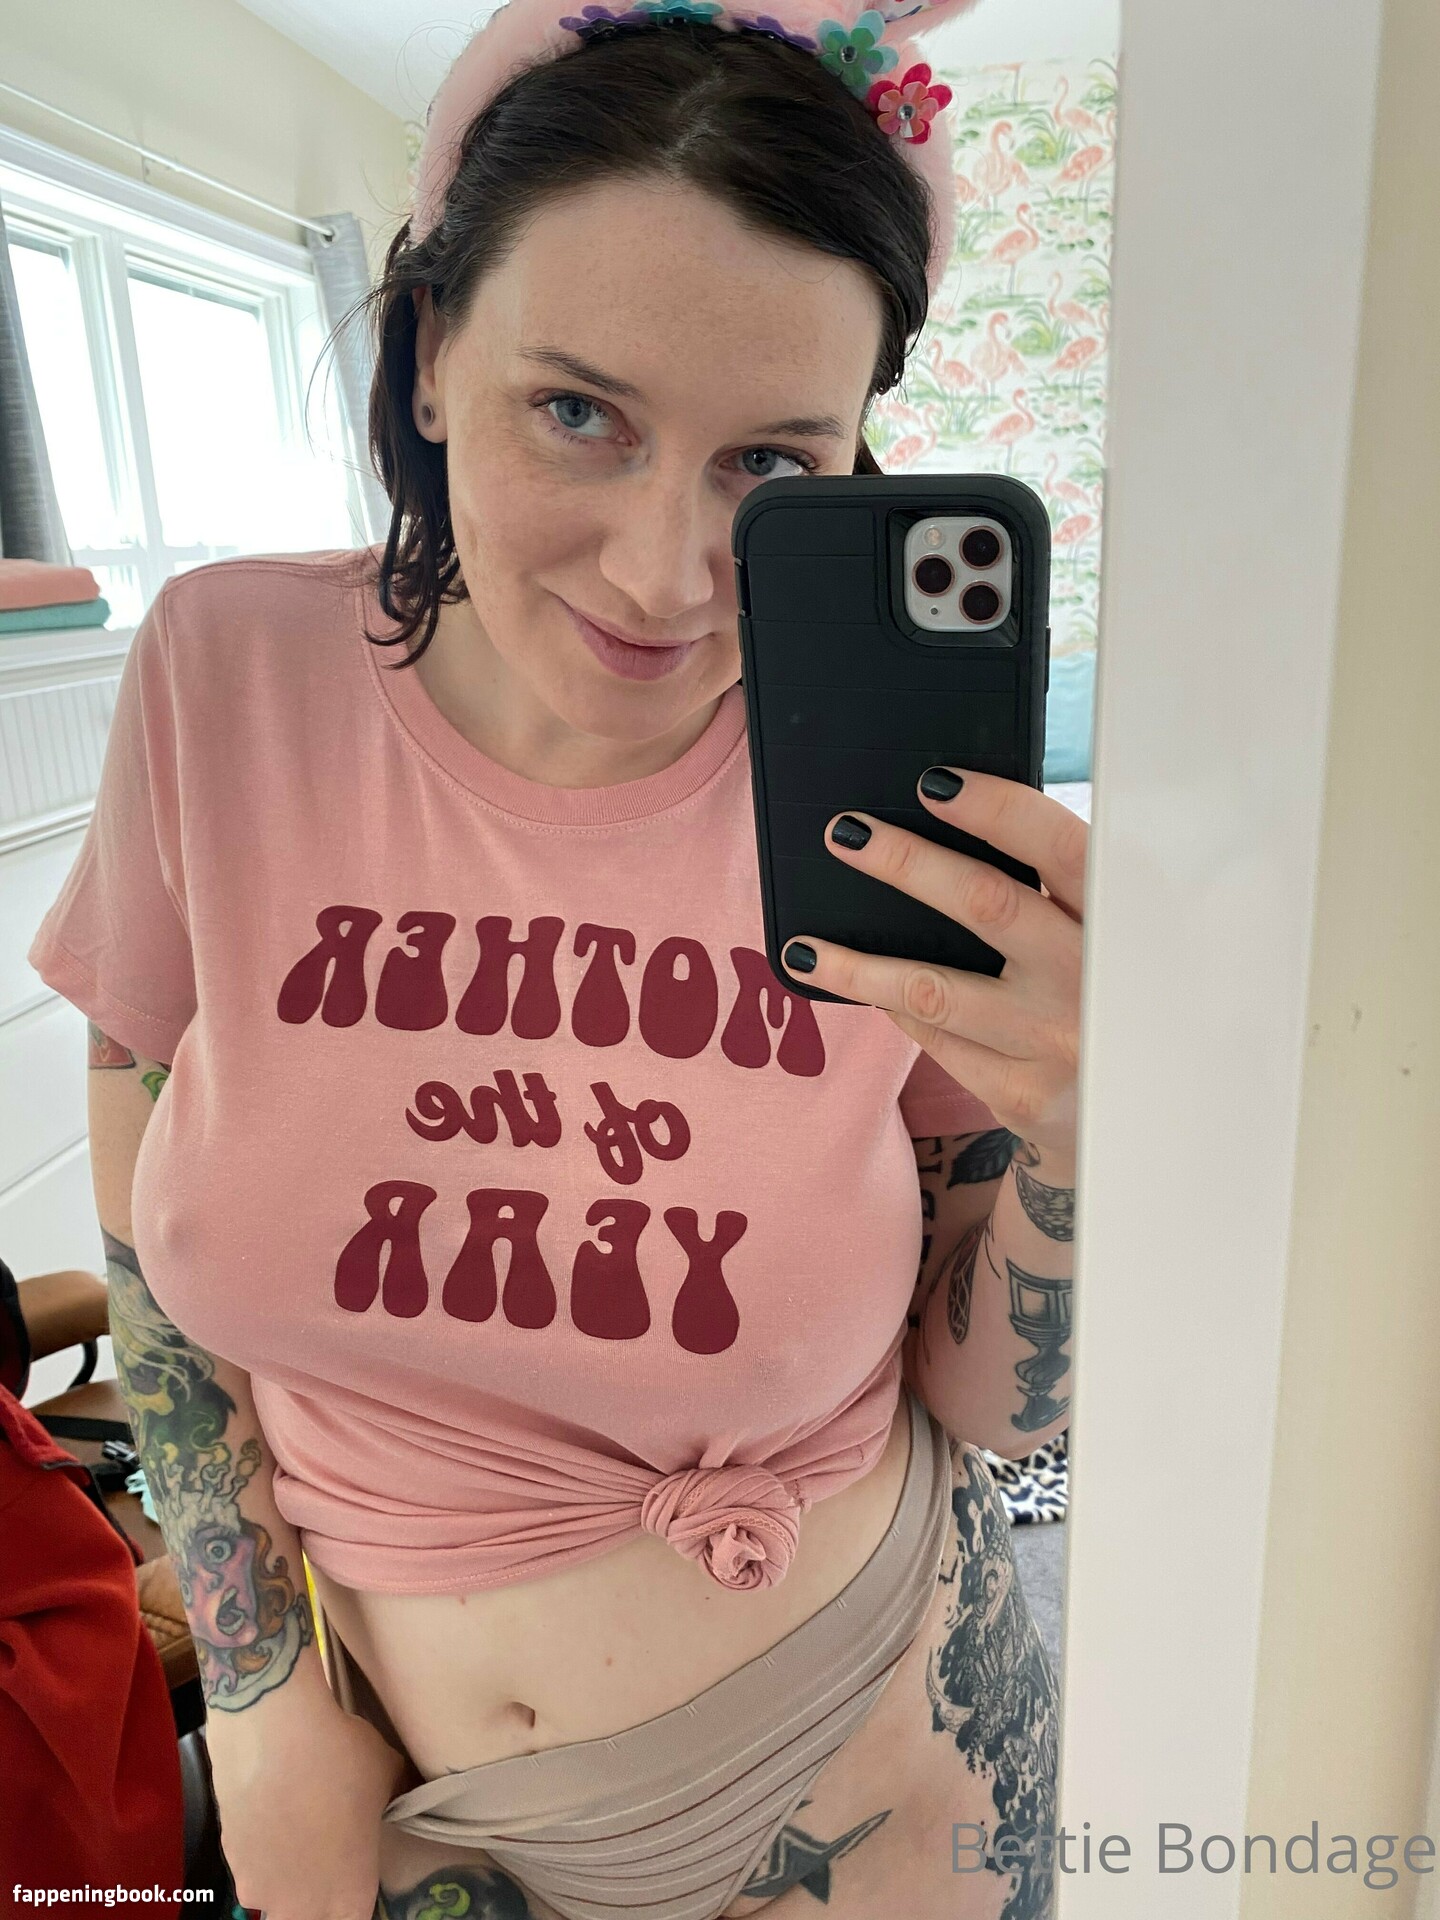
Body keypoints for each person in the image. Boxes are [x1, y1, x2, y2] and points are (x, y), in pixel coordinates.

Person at [27, 0, 1086, 1913]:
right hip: (396, 1817)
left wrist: (1085, 1130)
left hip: (878, 1777)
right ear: (432, 351)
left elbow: (1003, 1407)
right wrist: (257, 1691)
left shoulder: (898, 800)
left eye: (772, 463)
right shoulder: (226, 678)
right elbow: (147, 1172)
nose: (664, 575)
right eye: (578, 412)